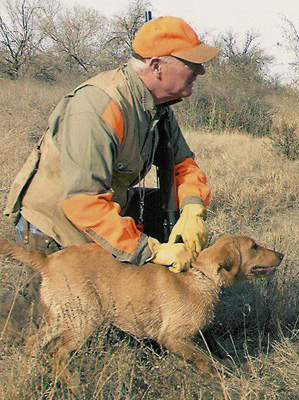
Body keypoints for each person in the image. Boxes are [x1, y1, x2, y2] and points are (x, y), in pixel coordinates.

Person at [4, 16, 220, 273]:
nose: (201, 72)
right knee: (55, 313)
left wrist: (192, 207)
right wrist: (150, 250)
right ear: (156, 66)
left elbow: (183, 165)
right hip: (56, 234)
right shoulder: (98, 107)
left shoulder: (158, 107)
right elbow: (82, 202)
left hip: (97, 217)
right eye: (191, 63)